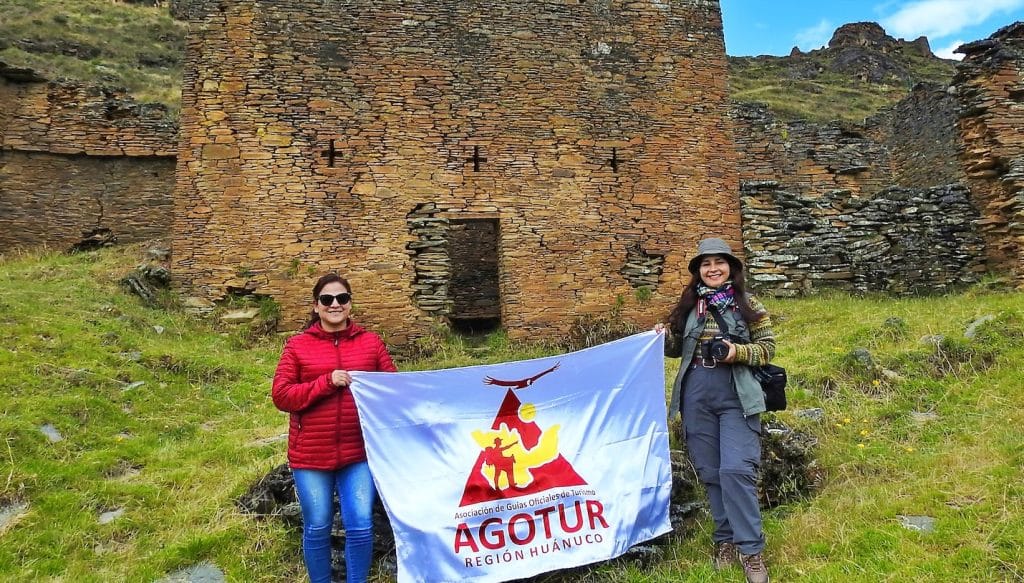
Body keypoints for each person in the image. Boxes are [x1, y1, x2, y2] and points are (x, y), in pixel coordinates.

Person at [656, 238, 776, 583]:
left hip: (737, 394)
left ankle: (751, 550)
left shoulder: (748, 303)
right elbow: (675, 349)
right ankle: (725, 541)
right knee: (710, 471)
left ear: (731, 267)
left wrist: (735, 353)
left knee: (736, 469)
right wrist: (662, 336)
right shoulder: (689, 304)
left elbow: (767, 348)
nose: (712, 269)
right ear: (698, 271)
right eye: (705, 264)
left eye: (719, 262)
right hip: (696, 394)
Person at [272, 274, 397, 583]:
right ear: (316, 307)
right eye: (327, 300)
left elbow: (395, 388)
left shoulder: (371, 343)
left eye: (342, 298)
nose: (335, 305)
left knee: (360, 524)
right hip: (311, 455)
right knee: (317, 524)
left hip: (358, 452)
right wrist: (326, 382)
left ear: (350, 304)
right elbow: (282, 395)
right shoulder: (298, 347)